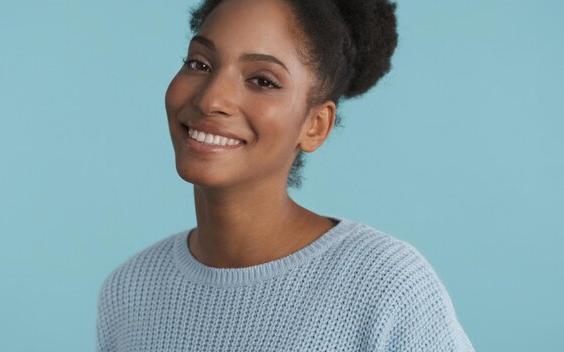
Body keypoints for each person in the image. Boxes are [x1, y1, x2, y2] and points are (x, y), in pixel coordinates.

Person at [96, 0, 475, 351]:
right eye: (199, 63)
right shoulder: (130, 290)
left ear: (315, 125)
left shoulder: (386, 286)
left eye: (262, 81)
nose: (211, 99)